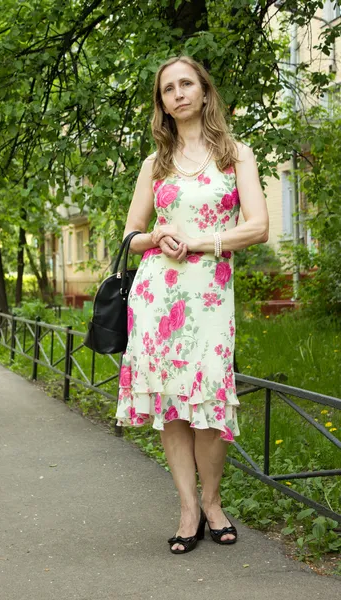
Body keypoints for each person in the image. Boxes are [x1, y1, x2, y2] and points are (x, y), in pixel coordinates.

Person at [115, 55, 269, 554]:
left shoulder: (236, 155)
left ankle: (212, 500)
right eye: (168, 89)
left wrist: (197, 241)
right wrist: (157, 236)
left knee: (209, 403)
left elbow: (259, 226)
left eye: (186, 84)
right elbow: (130, 236)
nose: (178, 93)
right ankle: (187, 508)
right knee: (173, 406)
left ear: (204, 92)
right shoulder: (152, 165)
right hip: (157, 296)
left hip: (208, 294)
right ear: (161, 103)